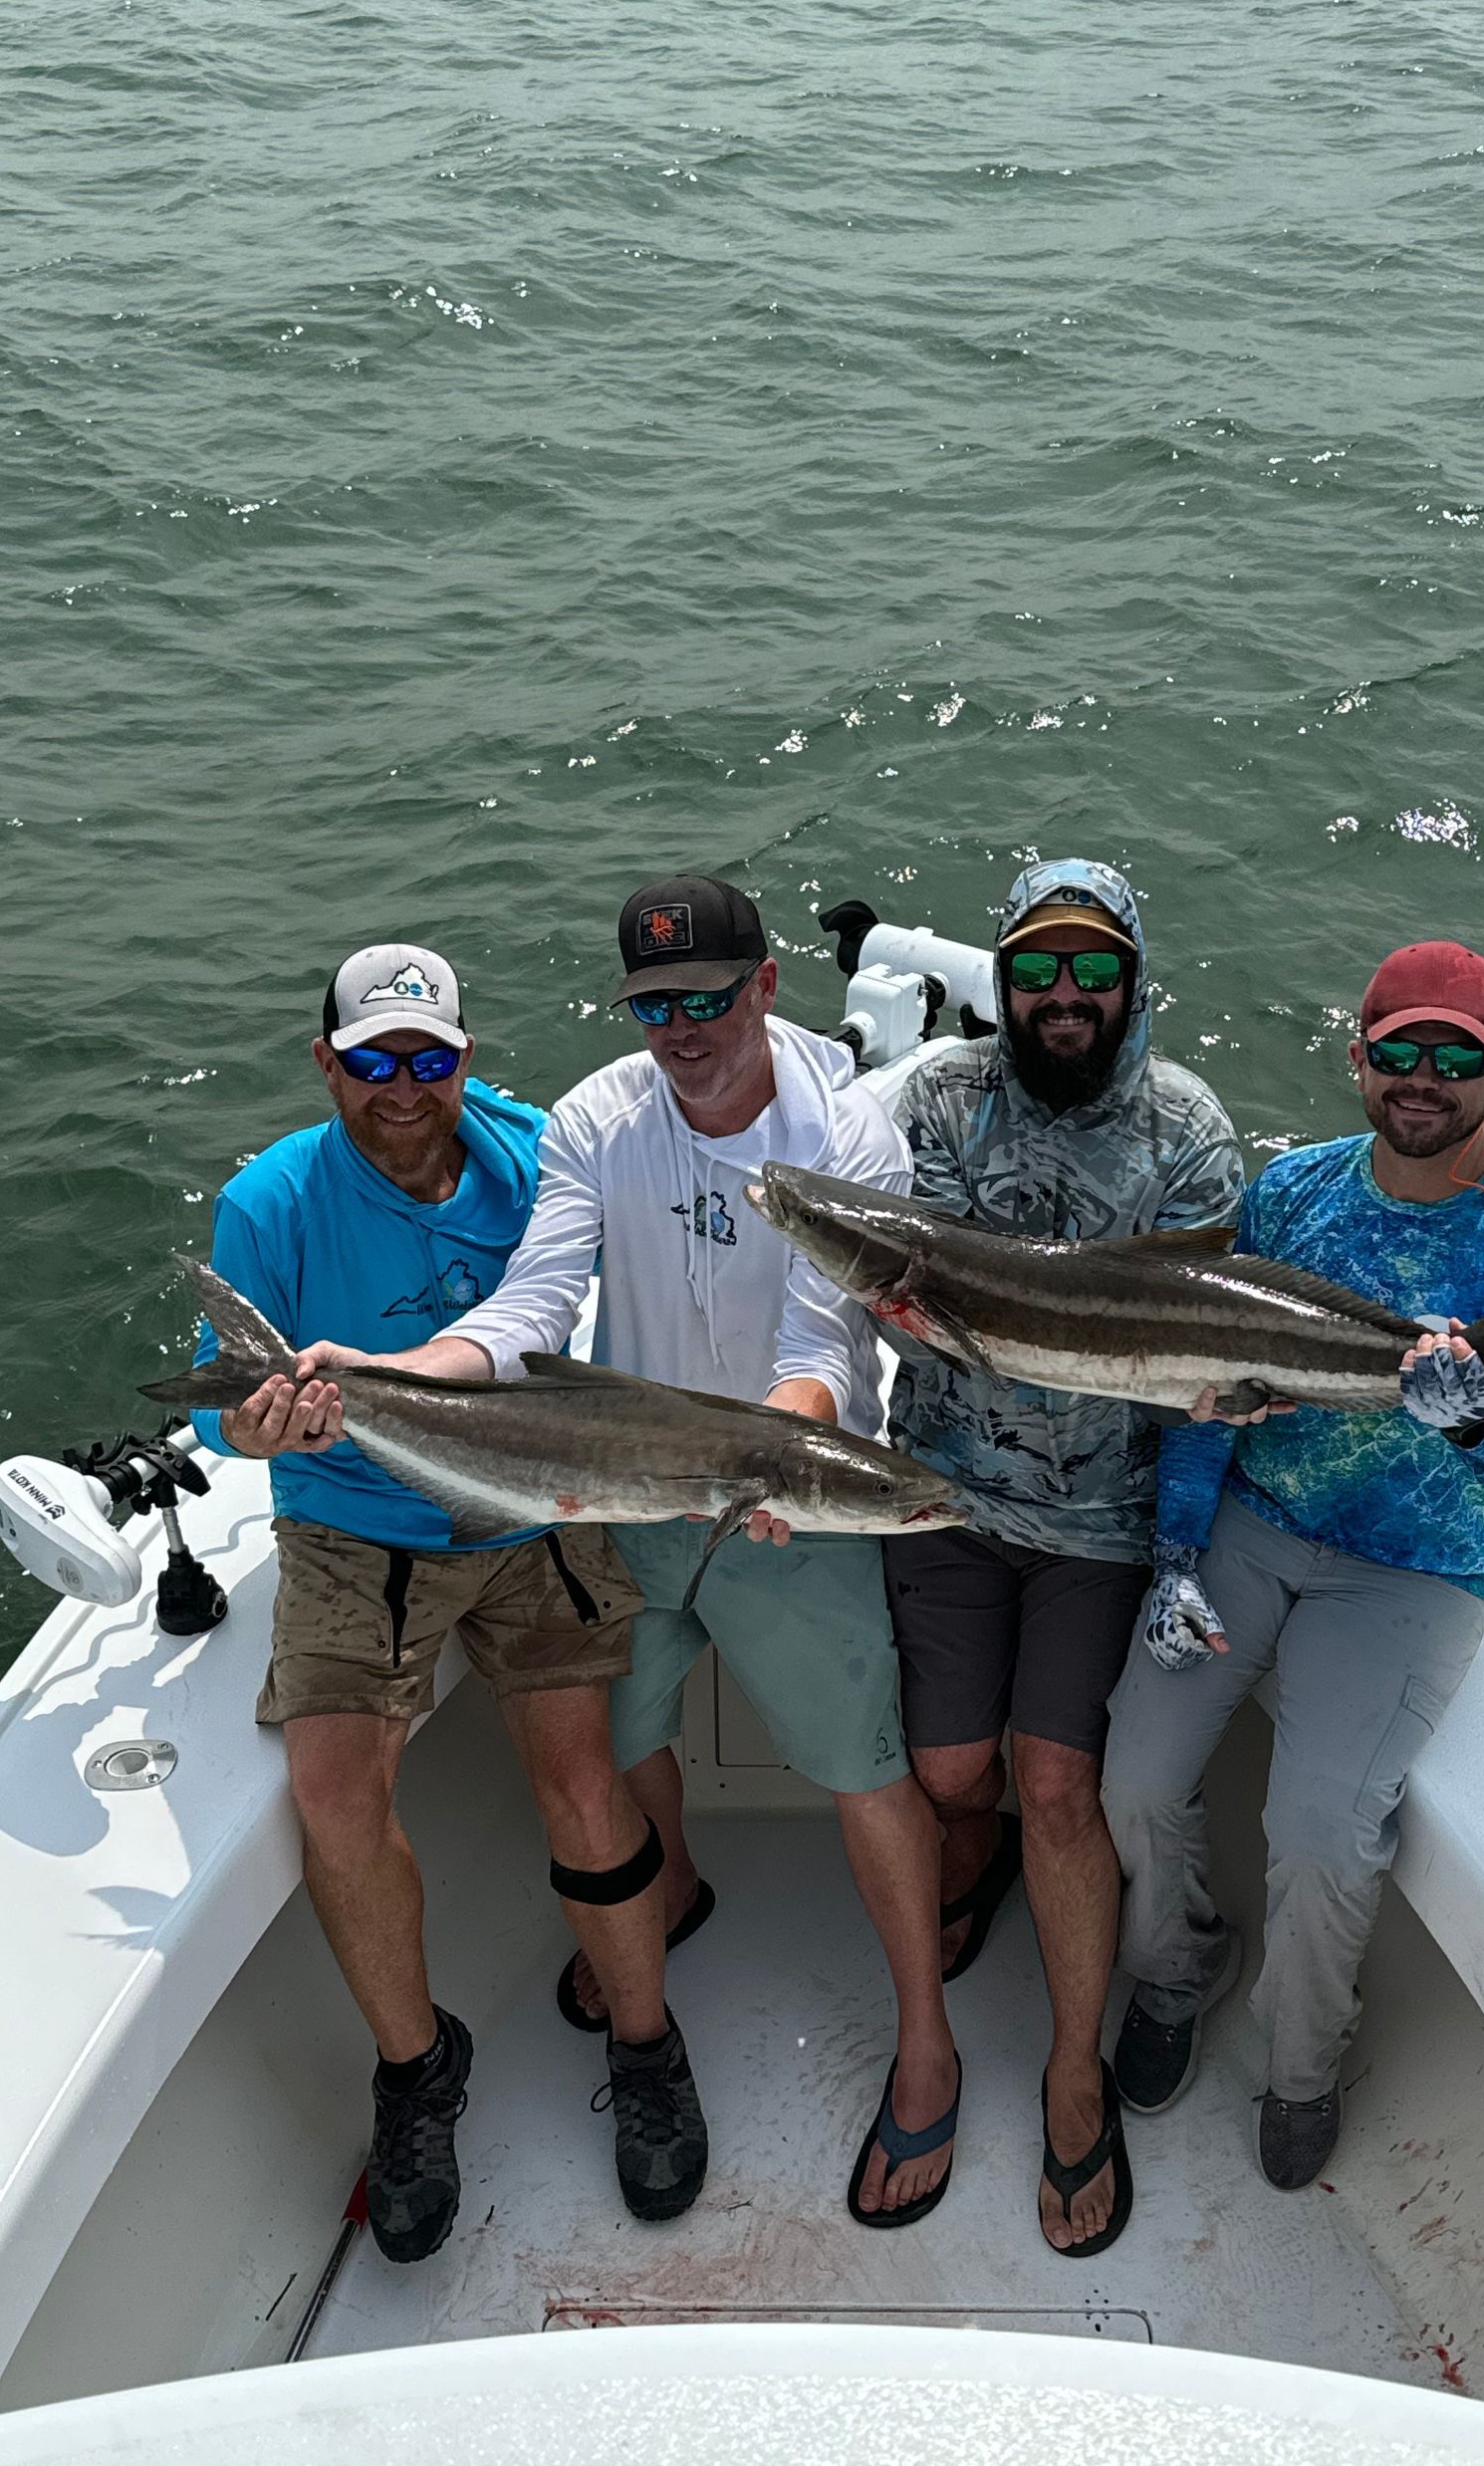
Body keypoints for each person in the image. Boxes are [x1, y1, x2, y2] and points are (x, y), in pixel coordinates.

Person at [296, 878, 963, 2229]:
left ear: (766, 984)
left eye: (707, 997)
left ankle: (927, 2040)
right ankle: (680, 1886)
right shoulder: (600, 1117)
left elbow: (824, 1336)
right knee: (622, 1738)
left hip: (790, 1497)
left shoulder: (848, 1131)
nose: (682, 1030)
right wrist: (387, 1377)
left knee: (868, 1772)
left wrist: (784, 1449)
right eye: (655, 1007)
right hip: (622, 1491)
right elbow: (538, 1299)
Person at [191, 942, 702, 2265]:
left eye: (428, 1058)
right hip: (354, 1521)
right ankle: (417, 2071)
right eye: (374, 1060)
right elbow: (226, 1413)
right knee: (333, 1791)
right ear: (328, 1064)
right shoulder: (269, 1203)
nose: (403, 1086)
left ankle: (646, 2042)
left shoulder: (539, 1155)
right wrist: (265, 1427)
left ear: (466, 1060)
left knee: (583, 1776)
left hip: (533, 1501)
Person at [1102, 939, 1484, 2190]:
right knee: (1133, 1775)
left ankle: (1303, 2066)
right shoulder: (1291, 1193)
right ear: (1358, 1058)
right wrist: (1176, 1552)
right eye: (1400, 1049)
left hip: (1416, 1571)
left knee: (1323, 1830)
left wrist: (1481, 1424)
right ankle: (1177, 1969)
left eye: (1455, 1055)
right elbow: (1213, 1388)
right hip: (1252, 1526)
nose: (1423, 1076)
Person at [878, 860, 1244, 2255]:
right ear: (1005, 981)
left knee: (1056, 1782)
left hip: (1105, 1518)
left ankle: (1072, 2068)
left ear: (1134, 980)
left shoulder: (1187, 1128)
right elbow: (907, 1258)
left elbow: (1204, 1335)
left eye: (1095, 967)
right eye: (1036, 968)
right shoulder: (937, 1099)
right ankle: (972, 1862)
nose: (1065, 993)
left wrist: (1190, 1520)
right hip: (945, 1494)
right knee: (946, 1774)